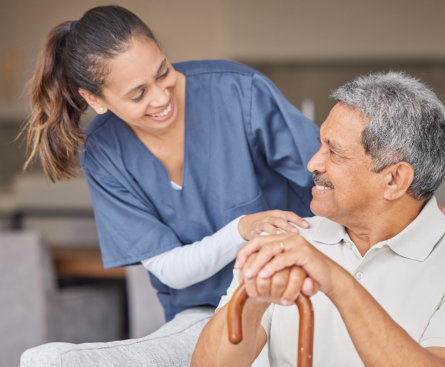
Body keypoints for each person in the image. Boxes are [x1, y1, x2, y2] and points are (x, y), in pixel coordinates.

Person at [191, 72, 445, 367]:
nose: (313, 163)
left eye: (333, 152)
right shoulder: (288, 241)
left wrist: (336, 281)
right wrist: (254, 299)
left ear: (394, 179)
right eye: (320, 144)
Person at [23, 5, 320, 322]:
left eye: (163, 72)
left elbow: (335, 184)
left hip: (294, 291)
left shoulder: (238, 92)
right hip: (201, 313)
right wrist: (241, 229)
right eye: (138, 94)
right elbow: (170, 270)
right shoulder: (104, 152)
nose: (162, 98)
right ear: (95, 100)